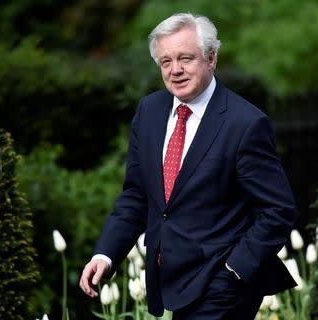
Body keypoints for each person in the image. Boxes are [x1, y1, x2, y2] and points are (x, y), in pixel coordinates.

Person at [80, 12, 298, 320]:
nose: (175, 70)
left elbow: (278, 210)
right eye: (166, 62)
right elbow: (137, 196)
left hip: (224, 284)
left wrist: (236, 268)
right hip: (169, 279)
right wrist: (105, 254)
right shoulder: (149, 112)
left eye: (185, 58)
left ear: (211, 58)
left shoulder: (245, 123)